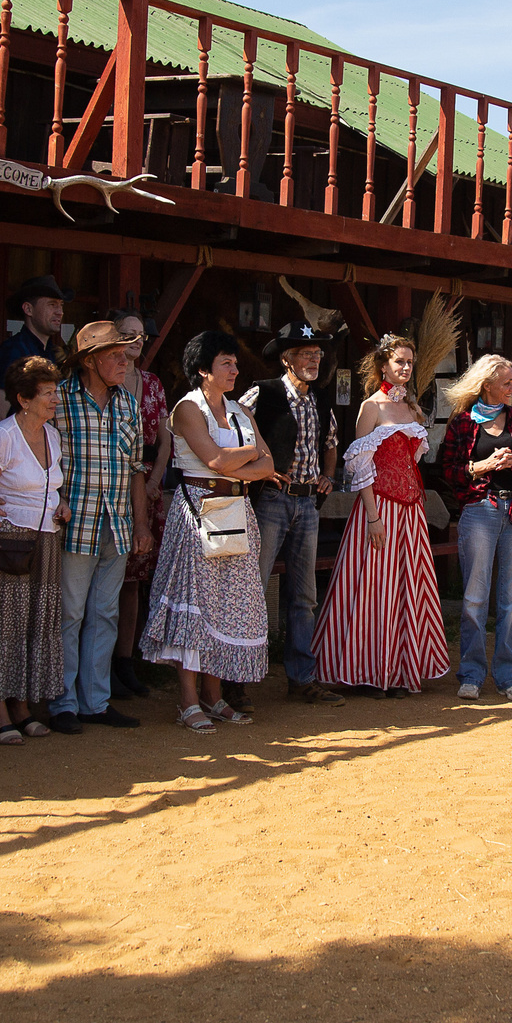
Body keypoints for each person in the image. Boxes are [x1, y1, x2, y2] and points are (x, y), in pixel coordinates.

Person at [138, 331, 276, 731]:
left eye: (234, 362)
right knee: (194, 602)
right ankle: (187, 701)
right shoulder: (187, 408)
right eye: (225, 363)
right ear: (203, 369)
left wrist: (241, 461)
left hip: (237, 508)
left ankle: (214, 698)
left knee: (227, 604)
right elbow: (215, 459)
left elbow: (269, 466)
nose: (234, 369)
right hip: (198, 511)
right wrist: (249, 454)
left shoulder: (239, 411)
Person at [311, 333, 445, 697]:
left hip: (411, 509)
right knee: (375, 587)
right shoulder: (371, 406)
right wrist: (372, 516)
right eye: (399, 361)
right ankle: (368, 668)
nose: (405, 367)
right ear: (383, 365)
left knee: (407, 588)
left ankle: (401, 670)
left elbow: (410, 460)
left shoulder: (412, 408)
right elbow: (359, 465)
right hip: (380, 507)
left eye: (409, 362)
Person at [0, 356, 68, 744]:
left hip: (46, 541)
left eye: (56, 392)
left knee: (33, 626)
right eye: (48, 394)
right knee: (2, 630)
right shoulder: (2, 437)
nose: (56, 400)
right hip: (9, 545)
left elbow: (48, 485)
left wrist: (61, 501)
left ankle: (22, 707)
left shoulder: (52, 436)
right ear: (23, 398)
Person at [50, 321, 151, 733]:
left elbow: (136, 469)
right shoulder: (58, 399)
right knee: (70, 614)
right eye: (115, 355)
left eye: (125, 354)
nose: (124, 361)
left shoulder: (127, 404)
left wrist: (141, 523)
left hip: (118, 524)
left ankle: (95, 701)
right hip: (76, 522)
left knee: (105, 613)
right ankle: (62, 704)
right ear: (90, 361)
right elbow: (39, 456)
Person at [242, 322, 347, 707]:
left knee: (304, 595)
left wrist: (329, 476)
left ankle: (301, 679)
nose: (315, 360)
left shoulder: (320, 399)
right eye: (307, 354)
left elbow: (331, 442)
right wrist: (259, 467)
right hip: (271, 499)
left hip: (306, 504)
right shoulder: (263, 392)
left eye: (318, 354)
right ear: (287, 359)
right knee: (253, 587)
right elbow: (236, 430)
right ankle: (238, 680)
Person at [437, 353, 512, 702]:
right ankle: (472, 673)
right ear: (487, 386)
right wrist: (479, 467)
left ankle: (510, 675)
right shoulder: (462, 423)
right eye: (507, 382)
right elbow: (447, 471)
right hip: (479, 510)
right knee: (474, 598)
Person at [113, 312, 173, 699]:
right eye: (128, 334)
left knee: (134, 583)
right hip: (111, 486)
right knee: (106, 582)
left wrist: (153, 481)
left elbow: (166, 438)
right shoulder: (108, 382)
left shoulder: (152, 383)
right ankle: (98, 668)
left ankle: (126, 662)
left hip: (148, 485)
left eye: (142, 335)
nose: (137, 341)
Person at [0, 274, 69, 427]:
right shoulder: (12, 351)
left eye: (61, 305)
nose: (60, 312)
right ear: (28, 309)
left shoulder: (52, 354)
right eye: (52, 304)